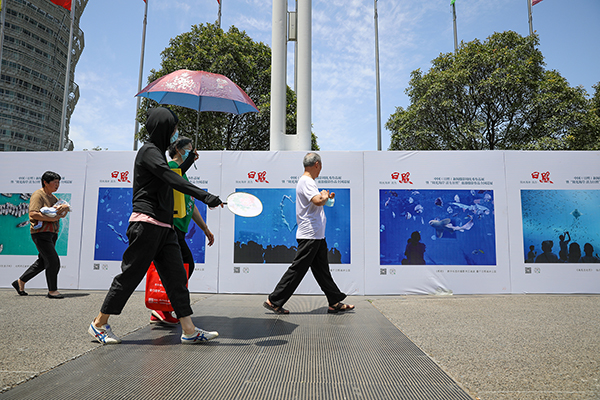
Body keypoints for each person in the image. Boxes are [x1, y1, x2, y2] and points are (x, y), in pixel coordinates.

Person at [88, 107, 223, 345]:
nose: (175, 132)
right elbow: (170, 176)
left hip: (165, 228)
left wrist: (190, 159)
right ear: (164, 128)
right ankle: (98, 324)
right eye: (173, 127)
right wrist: (204, 196)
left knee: (176, 278)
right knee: (130, 275)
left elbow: (173, 172)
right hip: (146, 225)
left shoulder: (158, 154)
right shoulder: (148, 151)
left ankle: (189, 330)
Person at [263, 153, 354, 314]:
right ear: (317, 164)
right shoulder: (307, 181)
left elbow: (319, 202)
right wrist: (324, 196)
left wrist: (327, 198)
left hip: (316, 235)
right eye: (321, 167)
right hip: (310, 235)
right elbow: (318, 201)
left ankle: (334, 302)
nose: (320, 170)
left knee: (322, 271)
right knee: (297, 270)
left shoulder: (307, 182)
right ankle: (274, 300)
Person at [149, 137, 215, 325]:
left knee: (183, 267)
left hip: (179, 230)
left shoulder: (181, 174)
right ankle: (161, 306)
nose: (192, 151)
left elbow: (190, 204)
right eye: (189, 149)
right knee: (183, 267)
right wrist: (188, 162)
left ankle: (162, 305)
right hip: (170, 228)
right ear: (178, 150)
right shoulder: (170, 167)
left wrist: (205, 228)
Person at [11, 171, 70, 298]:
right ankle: (52, 291)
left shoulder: (53, 198)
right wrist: (52, 219)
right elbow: (33, 214)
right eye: (55, 182)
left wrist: (64, 208)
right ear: (45, 182)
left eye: (58, 182)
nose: (57, 185)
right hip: (40, 233)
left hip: (52, 233)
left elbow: (60, 214)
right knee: (53, 261)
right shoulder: (38, 195)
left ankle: (20, 282)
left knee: (43, 262)